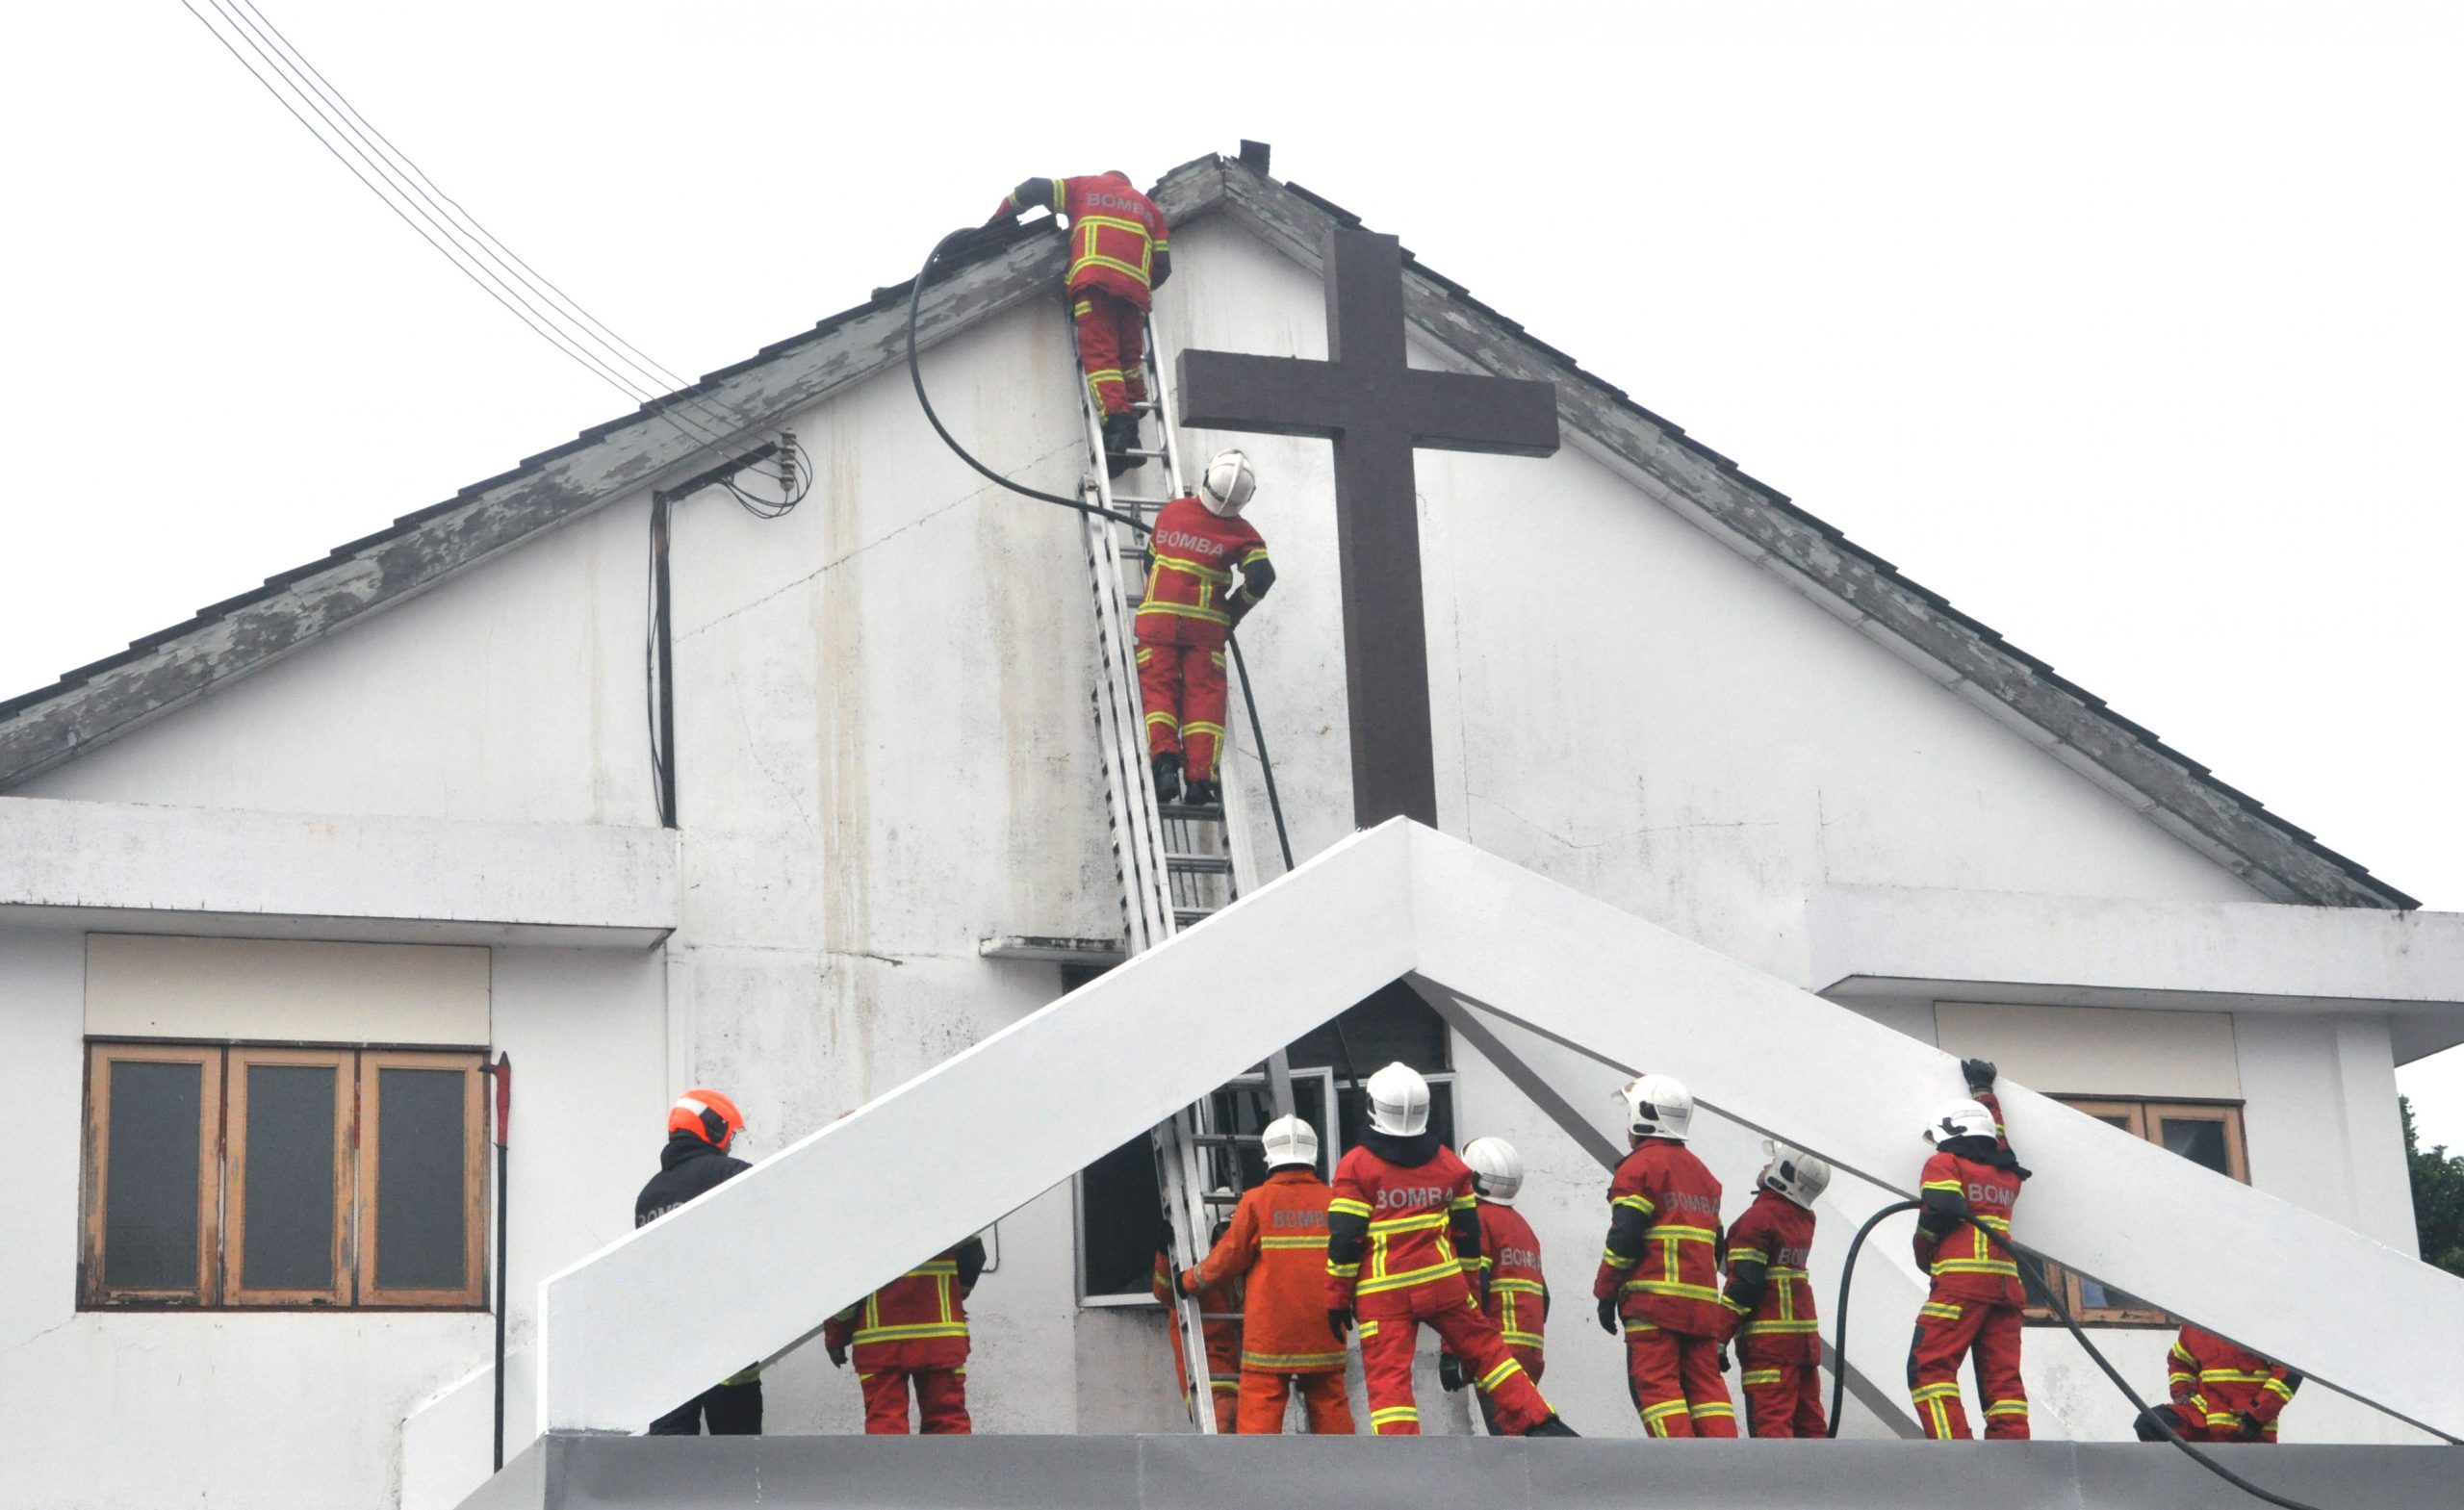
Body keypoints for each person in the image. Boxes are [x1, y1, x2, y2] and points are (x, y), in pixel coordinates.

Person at [1325, 1062, 1576, 1438]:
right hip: (1444, 1285)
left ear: (1374, 1107)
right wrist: (1470, 1295)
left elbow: (1345, 1239)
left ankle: (1403, 1457)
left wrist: (1336, 1299)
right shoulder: (1449, 1165)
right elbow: (1467, 1238)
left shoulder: (1356, 1167)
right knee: (1488, 1350)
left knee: (1389, 1380)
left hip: (1384, 1293)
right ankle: (1539, 1420)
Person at [983, 169, 1170, 473]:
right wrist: (1136, 286)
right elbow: (1163, 266)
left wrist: (1000, 219)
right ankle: (1130, 433)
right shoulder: (1151, 210)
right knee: (1129, 361)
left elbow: (1032, 188)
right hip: (1134, 295)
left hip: (1095, 284)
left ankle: (1118, 426)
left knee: (1101, 355)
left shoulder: (1087, 187)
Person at [1177, 1117, 1354, 1435]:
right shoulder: (1335, 1202)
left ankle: (1254, 1480)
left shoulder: (1257, 1202)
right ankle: (1342, 1478)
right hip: (1325, 1327)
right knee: (1330, 1405)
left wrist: (1188, 1281)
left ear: (1269, 1156)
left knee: (1260, 1410)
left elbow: (1226, 1260)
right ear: (1313, 1154)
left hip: (1271, 1335)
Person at [1594, 1073, 1738, 1438]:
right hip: (1702, 1308)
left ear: (1642, 1116)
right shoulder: (1703, 1175)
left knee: (1658, 1390)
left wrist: (1605, 1292)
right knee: (1708, 1392)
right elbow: (1717, 1245)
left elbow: (1625, 1238)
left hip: (1652, 1305)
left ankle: (1681, 1473)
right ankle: (1727, 1470)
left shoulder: (1638, 1168)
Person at [1135, 449, 1273, 807]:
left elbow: (1150, 561)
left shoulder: (1172, 512)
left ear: (1208, 477)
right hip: (1205, 632)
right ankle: (1199, 781)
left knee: (1160, 692)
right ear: (1247, 497)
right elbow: (1261, 578)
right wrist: (1232, 612)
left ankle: (1165, 763)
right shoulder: (1246, 534)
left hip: (1157, 624)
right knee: (1203, 700)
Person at [1908, 1058, 2032, 1440]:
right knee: (2003, 1381)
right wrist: (1983, 1090)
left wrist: (1923, 1251)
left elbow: (1940, 1211)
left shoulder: (1945, 1163)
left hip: (1960, 1286)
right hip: (2006, 1289)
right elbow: (1999, 1137)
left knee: (1930, 1368)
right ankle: (2015, 1459)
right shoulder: (2006, 1171)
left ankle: (1955, 1454)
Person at [635, 1088, 761, 1435]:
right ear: (714, 1129)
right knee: (737, 1466)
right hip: (727, 1344)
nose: (731, 1144)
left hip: (668, 1353)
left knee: (671, 1467)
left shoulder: (648, 1195)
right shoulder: (730, 1174)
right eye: (729, 1135)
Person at [824, 1234, 988, 1434]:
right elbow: (974, 1255)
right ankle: (950, 1466)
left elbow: (845, 1287)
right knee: (947, 1421)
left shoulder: (859, 1219)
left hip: (880, 1343)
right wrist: (954, 1295)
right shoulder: (945, 1208)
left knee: (886, 1424)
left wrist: (836, 1335)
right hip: (940, 1337)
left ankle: (893, 1466)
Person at [1721, 1142, 1833, 1438]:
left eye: (1771, 1164)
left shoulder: (1758, 1219)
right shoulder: (1803, 1219)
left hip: (1768, 1348)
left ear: (1783, 1174)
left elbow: (1745, 1285)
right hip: (1803, 1345)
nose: (1764, 1168)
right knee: (1810, 1429)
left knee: (1772, 1433)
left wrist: (1717, 1337)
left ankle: (1776, 1486)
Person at [1445, 1137, 1548, 1435]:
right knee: (1521, 1431)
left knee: (1508, 1441)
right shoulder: (1523, 1228)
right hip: (1531, 1349)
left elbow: (1472, 1289)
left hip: (1497, 1350)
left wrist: (1453, 1352)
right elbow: (1545, 1298)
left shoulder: (1476, 1220)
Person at [1154, 1216, 1244, 1432]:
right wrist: (1165, 1255)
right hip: (1208, 1365)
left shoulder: (1237, 1262)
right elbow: (1166, 1292)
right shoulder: (1194, 1264)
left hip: (1241, 1366)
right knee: (1225, 1428)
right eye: (1225, 1229)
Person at [2158, 1324, 2300, 1442]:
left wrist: (2255, 1416)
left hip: (2247, 1431)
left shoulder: (2263, 1325)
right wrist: (2182, 1391)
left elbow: (2289, 1373)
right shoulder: (2196, 1325)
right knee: (2152, 1423)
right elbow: (2180, 1360)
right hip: (2204, 1424)